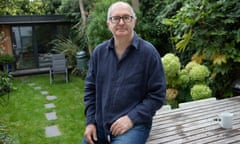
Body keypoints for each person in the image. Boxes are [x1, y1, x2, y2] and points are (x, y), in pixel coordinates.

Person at [82, 1, 166, 144]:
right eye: (116, 18)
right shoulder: (99, 53)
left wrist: (131, 118)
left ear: (134, 22)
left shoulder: (148, 53)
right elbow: (90, 89)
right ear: (108, 24)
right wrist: (90, 122)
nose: (121, 22)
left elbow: (157, 94)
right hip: (100, 126)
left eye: (126, 17)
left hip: (134, 126)